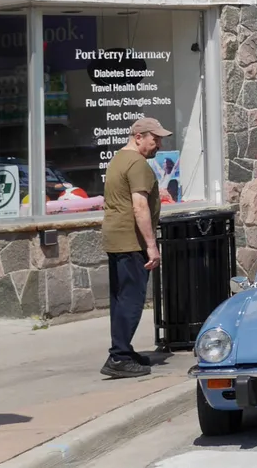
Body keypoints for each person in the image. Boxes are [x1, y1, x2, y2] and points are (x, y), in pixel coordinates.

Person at [100, 116, 170, 379]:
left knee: (119, 299)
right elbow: (139, 206)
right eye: (155, 138)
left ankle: (123, 351)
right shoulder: (138, 164)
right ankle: (119, 357)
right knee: (131, 300)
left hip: (116, 238)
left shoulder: (118, 158)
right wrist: (151, 247)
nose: (158, 144)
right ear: (138, 137)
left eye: (160, 139)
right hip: (131, 241)